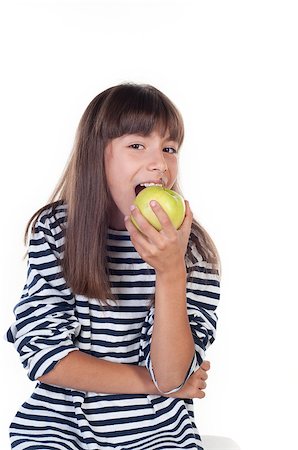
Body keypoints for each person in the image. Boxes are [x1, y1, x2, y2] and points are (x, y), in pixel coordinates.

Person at [5, 83, 221, 450]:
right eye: (137, 145)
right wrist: (160, 385)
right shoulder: (56, 232)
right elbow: (46, 360)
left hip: (157, 433)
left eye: (169, 149)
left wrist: (170, 273)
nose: (159, 163)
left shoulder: (191, 250)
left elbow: (172, 373)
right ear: (97, 155)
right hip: (57, 427)